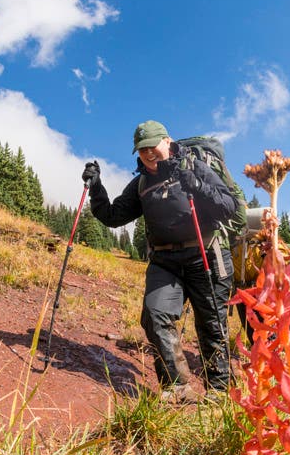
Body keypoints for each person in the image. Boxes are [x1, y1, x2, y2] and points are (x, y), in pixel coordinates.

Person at [81, 120, 236, 403]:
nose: (148, 153)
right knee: (154, 315)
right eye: (142, 150)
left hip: (206, 256)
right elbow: (113, 216)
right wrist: (96, 187)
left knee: (212, 323)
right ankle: (177, 388)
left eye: (153, 146)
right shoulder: (141, 183)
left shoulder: (195, 167)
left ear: (167, 141)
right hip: (165, 261)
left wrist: (197, 185)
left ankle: (220, 393)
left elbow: (228, 207)